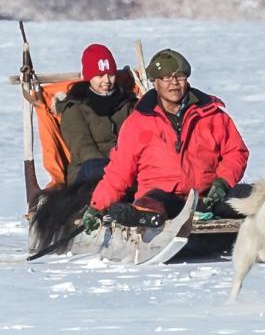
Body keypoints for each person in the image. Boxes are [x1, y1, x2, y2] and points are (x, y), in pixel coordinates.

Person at [90, 47, 249, 228]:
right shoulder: (138, 122)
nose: (173, 83)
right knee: (153, 202)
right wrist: (97, 206)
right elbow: (119, 171)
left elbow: (236, 152)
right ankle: (141, 218)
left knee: (249, 196)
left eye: (179, 76)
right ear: (155, 82)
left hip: (206, 199)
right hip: (163, 199)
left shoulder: (212, 115)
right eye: (166, 77)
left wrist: (223, 182)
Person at [53, 43, 133, 193]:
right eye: (100, 76)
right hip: (88, 170)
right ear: (89, 77)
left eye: (111, 74)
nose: (107, 80)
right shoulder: (74, 107)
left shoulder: (126, 103)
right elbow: (81, 147)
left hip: (124, 165)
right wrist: (114, 169)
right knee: (96, 168)